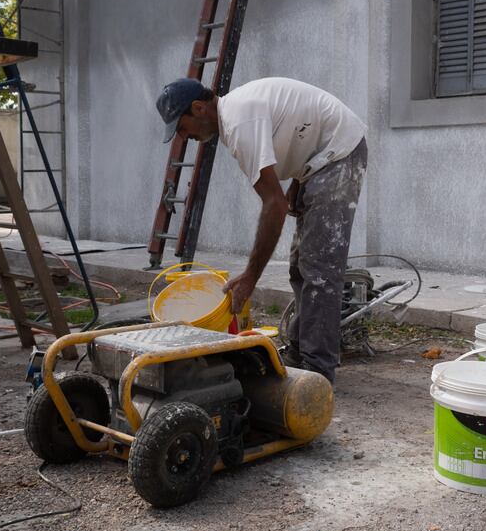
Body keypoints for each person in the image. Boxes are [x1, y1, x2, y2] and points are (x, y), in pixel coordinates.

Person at [156, 76, 367, 384]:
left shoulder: (240, 123)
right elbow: (299, 128)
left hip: (339, 153)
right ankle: (300, 349)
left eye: (182, 127)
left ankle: (318, 374)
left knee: (320, 270)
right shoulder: (236, 118)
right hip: (319, 158)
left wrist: (250, 278)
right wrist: (298, 179)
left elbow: (274, 205)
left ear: (199, 108)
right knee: (301, 266)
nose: (184, 137)